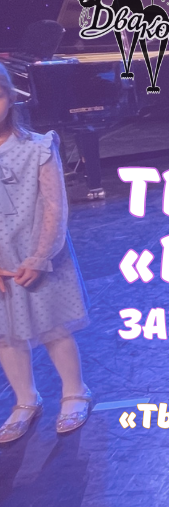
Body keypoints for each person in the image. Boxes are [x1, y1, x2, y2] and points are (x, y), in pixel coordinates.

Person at [0, 64, 92, 441]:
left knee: (53, 326)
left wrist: (40, 257)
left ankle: (75, 391)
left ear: (10, 98)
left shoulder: (37, 147)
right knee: (5, 335)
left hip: (38, 252)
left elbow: (55, 207)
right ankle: (25, 399)